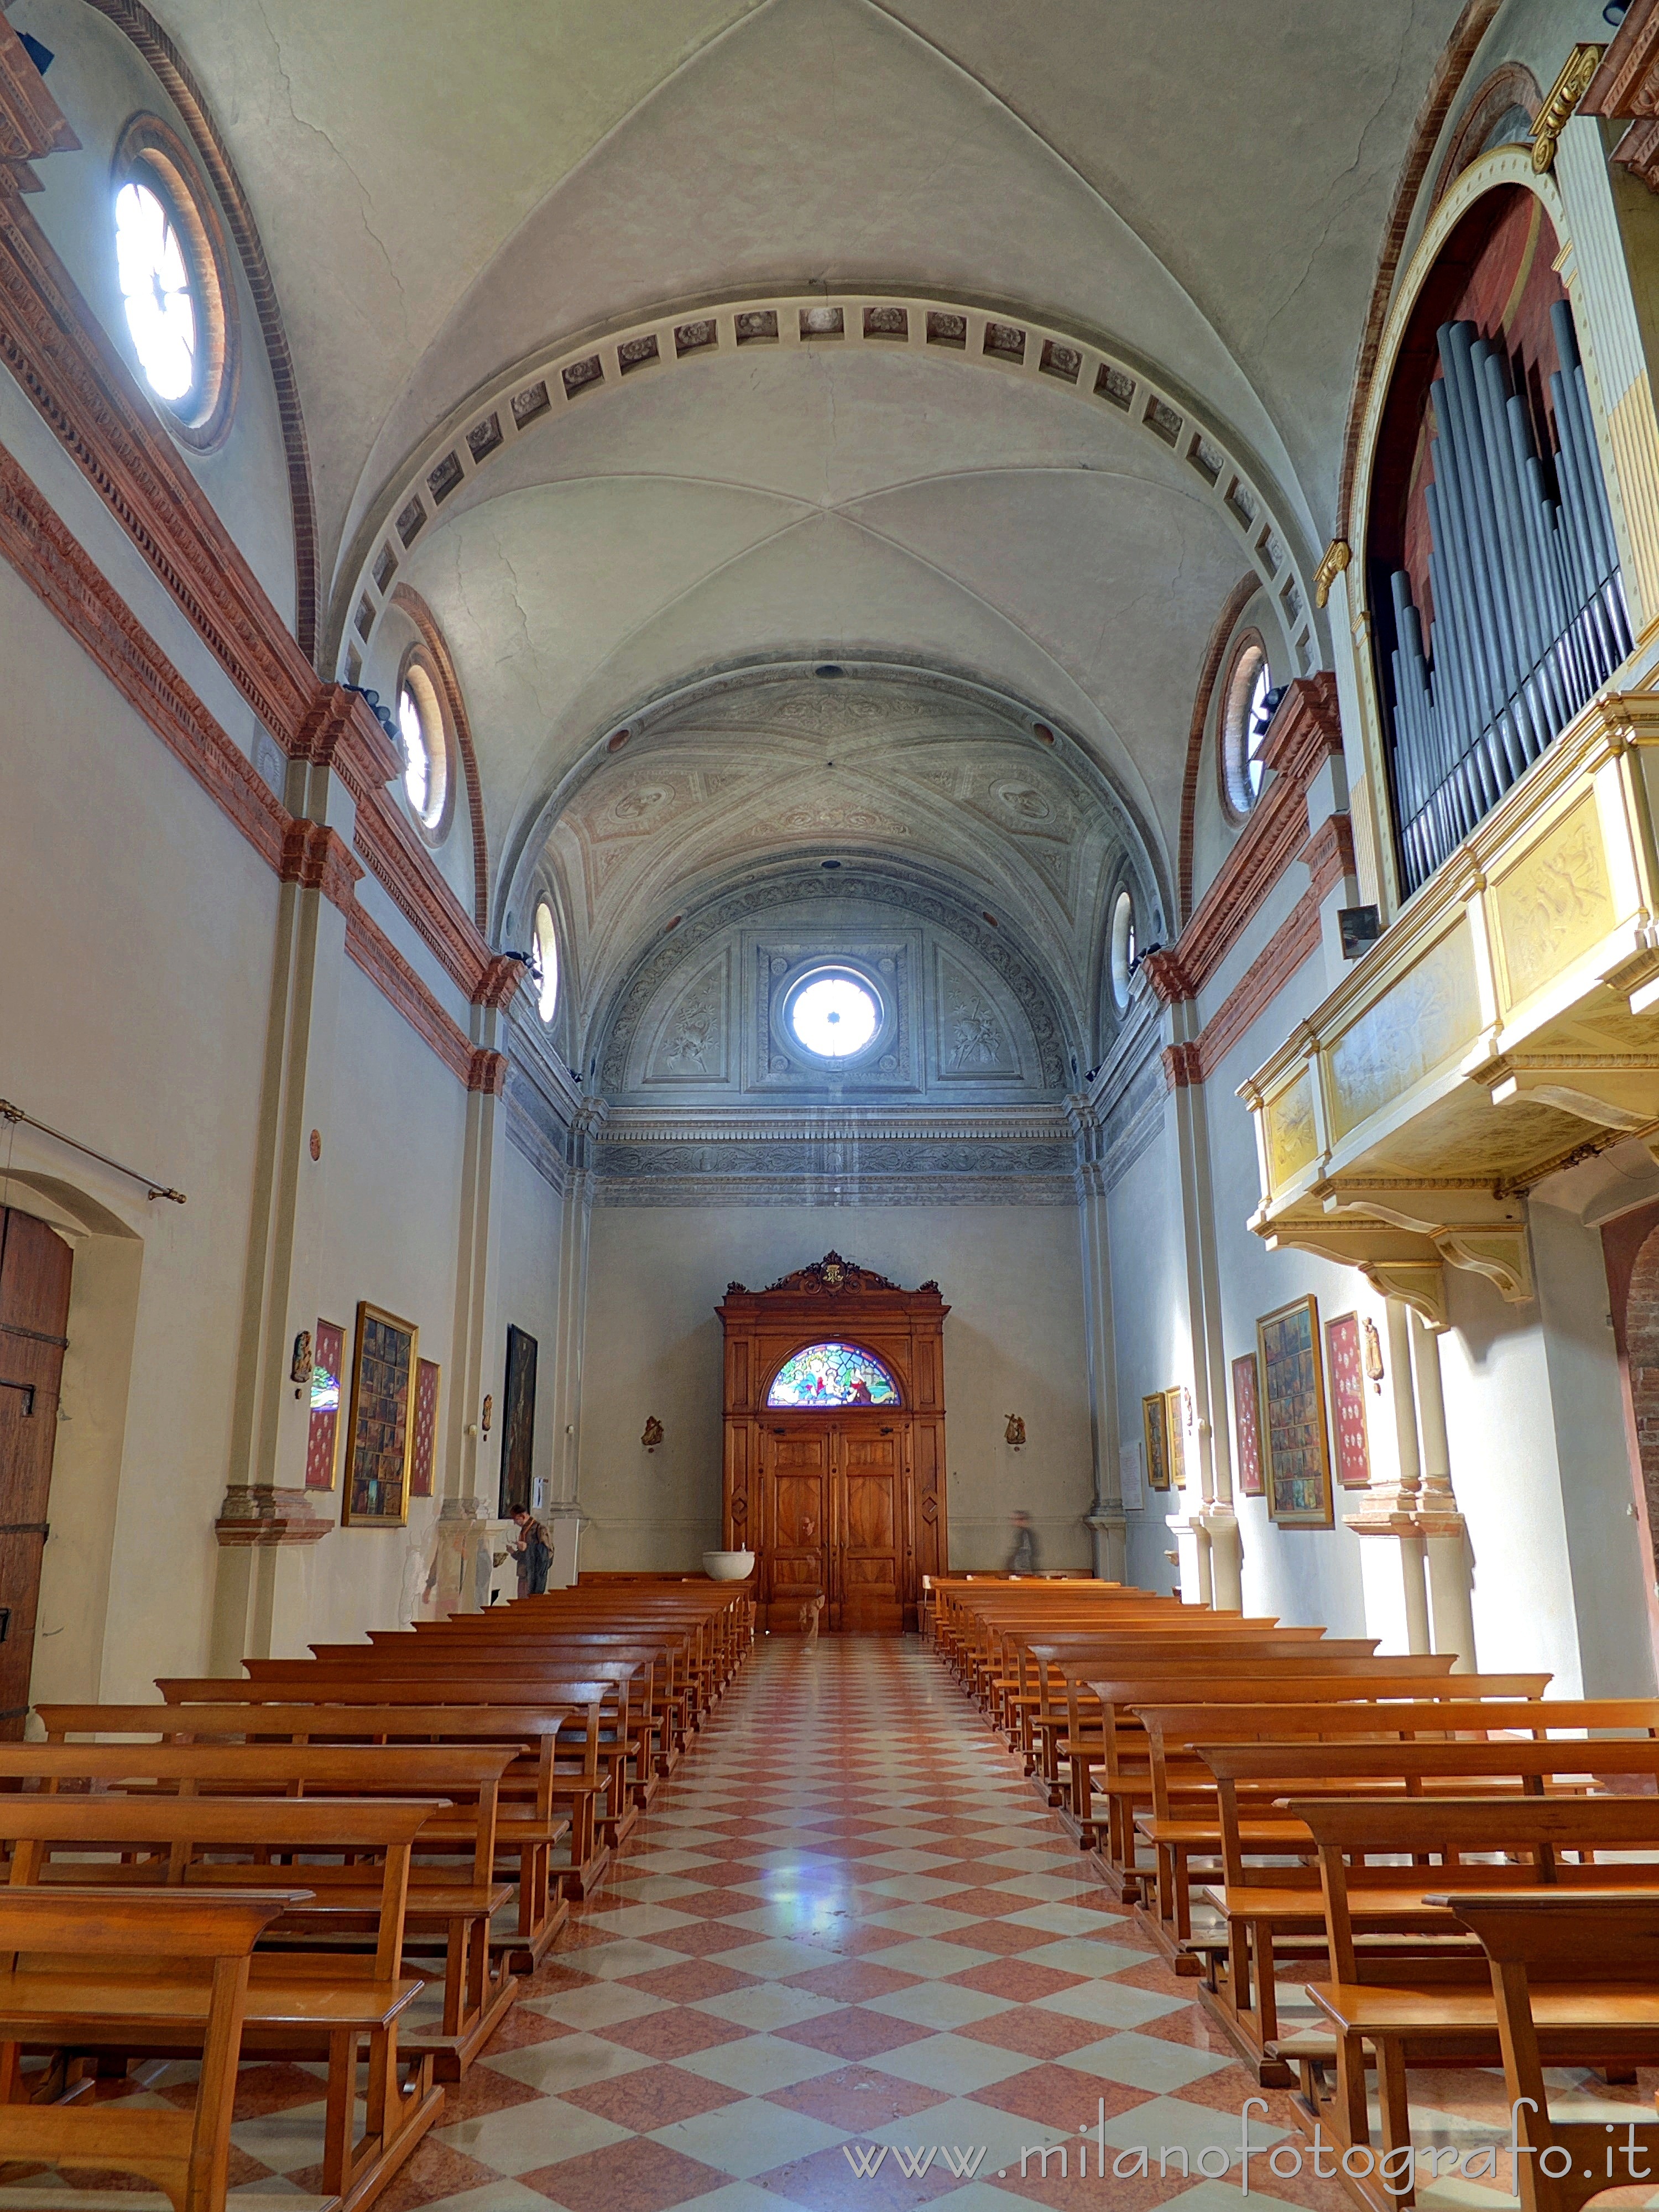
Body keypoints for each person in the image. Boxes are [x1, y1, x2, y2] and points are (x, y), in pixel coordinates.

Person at [508, 1505, 552, 1597]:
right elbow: (523, 1555)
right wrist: (513, 1552)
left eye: (516, 1519)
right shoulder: (524, 1531)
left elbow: (547, 1552)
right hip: (523, 1573)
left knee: (529, 1602)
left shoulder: (540, 1529)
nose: (515, 1523)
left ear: (523, 1516)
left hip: (533, 1574)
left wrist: (528, 1547)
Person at [1006, 1509, 1039, 1574]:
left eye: (1017, 1519)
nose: (1014, 1522)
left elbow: (1025, 1553)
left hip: (1024, 1571)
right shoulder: (1022, 1534)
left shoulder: (1025, 1534)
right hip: (1023, 1570)